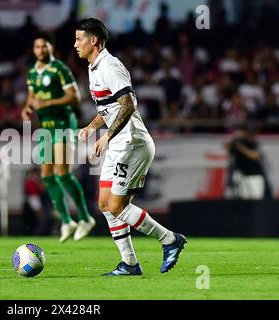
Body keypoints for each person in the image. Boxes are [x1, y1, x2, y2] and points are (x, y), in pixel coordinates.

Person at [74, 18, 186, 275]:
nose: (75, 44)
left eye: (79, 38)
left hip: (131, 144)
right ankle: (130, 264)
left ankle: (170, 240)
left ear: (94, 41)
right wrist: (92, 127)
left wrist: (107, 136)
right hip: (119, 144)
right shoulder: (94, 68)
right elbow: (109, 107)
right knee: (104, 204)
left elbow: (128, 105)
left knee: (116, 206)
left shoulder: (110, 67)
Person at [21, 31, 95, 242]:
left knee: (62, 174)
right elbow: (32, 98)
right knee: (46, 176)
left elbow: (75, 97)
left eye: (44, 46)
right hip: (46, 127)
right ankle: (66, 221)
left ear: (51, 48)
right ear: (33, 50)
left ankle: (84, 217)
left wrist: (49, 103)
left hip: (64, 125)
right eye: (37, 47)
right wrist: (27, 109)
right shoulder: (32, 73)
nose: (41, 50)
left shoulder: (60, 69)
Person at [224, 124, 270, 199]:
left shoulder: (253, 143)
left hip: (255, 176)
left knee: (256, 199)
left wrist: (241, 148)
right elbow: (225, 147)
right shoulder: (238, 142)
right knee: (244, 201)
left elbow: (255, 156)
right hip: (243, 176)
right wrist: (234, 139)